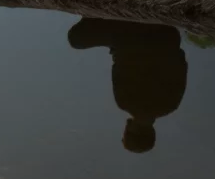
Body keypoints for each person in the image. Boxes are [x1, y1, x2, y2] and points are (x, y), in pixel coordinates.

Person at [68, 17, 188, 154]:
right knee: (75, 39)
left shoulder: (170, 106)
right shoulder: (125, 102)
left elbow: (181, 61)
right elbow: (119, 64)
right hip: (130, 36)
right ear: (130, 131)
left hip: (167, 35)